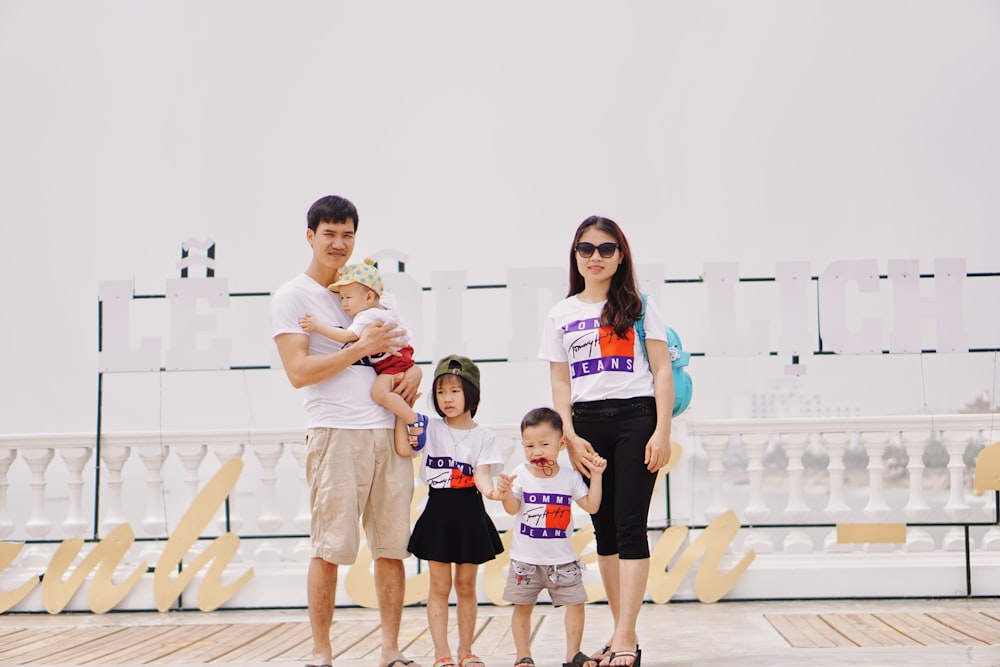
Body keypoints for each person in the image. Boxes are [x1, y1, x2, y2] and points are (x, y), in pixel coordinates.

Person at [271, 194, 423, 667]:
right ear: (310, 236)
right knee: (330, 549)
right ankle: (321, 651)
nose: (339, 243)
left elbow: (404, 355)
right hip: (335, 432)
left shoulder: (375, 293)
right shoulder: (292, 296)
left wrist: (416, 376)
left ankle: (391, 651)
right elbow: (298, 371)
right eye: (330, 234)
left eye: (347, 234)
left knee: (392, 548)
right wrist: (360, 350)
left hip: (387, 432)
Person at [538, 216, 674, 667]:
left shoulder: (638, 305)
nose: (595, 257)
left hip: (637, 419)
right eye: (586, 248)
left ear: (621, 255)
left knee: (630, 526)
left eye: (606, 248)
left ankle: (626, 639)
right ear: (575, 255)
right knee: (604, 531)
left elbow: (661, 370)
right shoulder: (561, 313)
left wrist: (662, 431)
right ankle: (621, 635)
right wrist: (569, 436)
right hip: (587, 425)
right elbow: (560, 382)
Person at [394, 355, 505, 667]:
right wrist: (403, 408)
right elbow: (405, 448)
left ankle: (466, 651)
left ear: (471, 393)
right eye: (441, 392)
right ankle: (441, 653)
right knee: (439, 586)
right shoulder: (429, 428)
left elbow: (482, 474)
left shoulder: (484, 436)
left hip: (471, 514)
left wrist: (492, 492)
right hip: (438, 515)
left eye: (455, 391)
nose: (447, 399)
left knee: (467, 586)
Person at [494, 407, 606, 667]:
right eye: (529, 446)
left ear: (562, 443)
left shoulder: (569, 478)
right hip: (525, 561)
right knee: (522, 607)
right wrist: (506, 492)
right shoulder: (520, 474)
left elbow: (592, 506)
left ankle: (573, 654)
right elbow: (512, 509)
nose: (537, 452)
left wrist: (597, 477)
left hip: (562, 561)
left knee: (576, 603)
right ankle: (523, 655)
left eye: (544, 444)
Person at [300, 257, 428, 448]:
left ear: (369, 297)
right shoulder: (385, 307)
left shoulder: (367, 316)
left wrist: (318, 326)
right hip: (402, 358)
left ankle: (414, 419)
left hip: (393, 364)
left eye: (348, 298)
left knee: (379, 393)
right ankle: (409, 420)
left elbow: (346, 336)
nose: (344, 303)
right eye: (341, 298)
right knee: (394, 397)